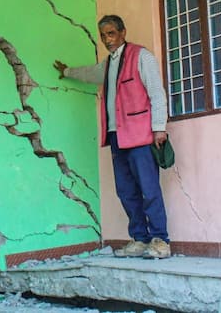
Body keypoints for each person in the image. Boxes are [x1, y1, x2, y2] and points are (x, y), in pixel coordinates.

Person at [54, 14, 171, 259]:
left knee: (149, 188)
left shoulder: (142, 56)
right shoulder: (109, 64)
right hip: (117, 136)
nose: (107, 39)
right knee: (126, 190)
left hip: (140, 135)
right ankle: (140, 239)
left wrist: (159, 127)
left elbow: (157, 95)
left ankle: (160, 240)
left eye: (111, 33)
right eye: (103, 35)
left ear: (122, 32)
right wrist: (67, 71)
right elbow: (90, 73)